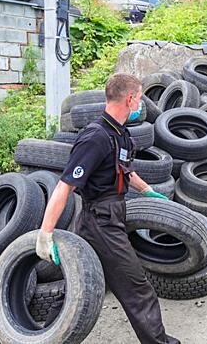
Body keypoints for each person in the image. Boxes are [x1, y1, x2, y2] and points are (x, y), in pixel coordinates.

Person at [35, 73, 180, 344]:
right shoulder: (95, 137)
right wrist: (45, 233)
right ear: (129, 98)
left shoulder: (120, 134)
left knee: (81, 284)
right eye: (139, 98)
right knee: (138, 288)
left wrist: (149, 192)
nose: (140, 103)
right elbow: (65, 186)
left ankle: (44, 337)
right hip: (99, 222)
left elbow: (126, 172)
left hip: (112, 215)